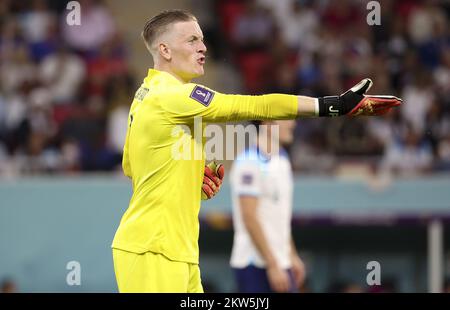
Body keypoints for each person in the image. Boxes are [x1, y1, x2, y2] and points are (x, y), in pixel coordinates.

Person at [111, 9, 402, 293]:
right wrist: (332, 106)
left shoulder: (146, 94)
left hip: (176, 249)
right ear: (165, 50)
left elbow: (131, 166)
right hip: (153, 249)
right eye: (192, 41)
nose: (203, 47)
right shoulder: (174, 95)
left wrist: (188, 174)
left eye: (202, 39)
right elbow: (254, 106)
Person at [229, 120, 305, 293]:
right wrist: (272, 264)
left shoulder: (283, 159)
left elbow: (279, 218)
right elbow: (249, 217)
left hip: (279, 261)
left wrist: (291, 254)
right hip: (255, 263)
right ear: (268, 123)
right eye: (287, 118)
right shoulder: (249, 161)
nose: (293, 124)